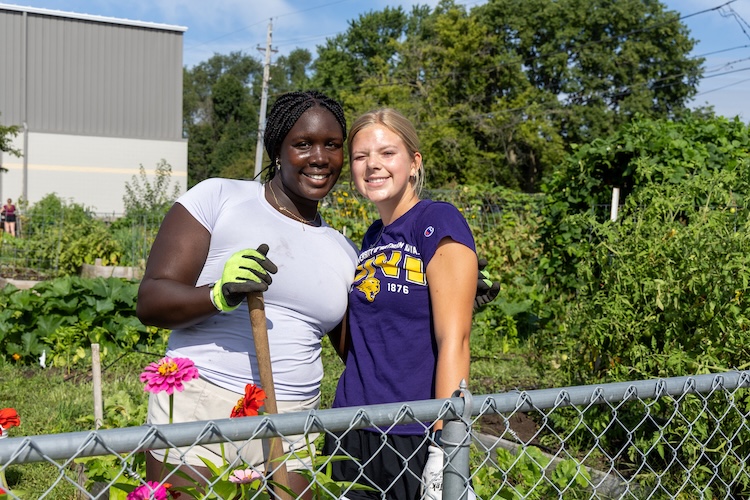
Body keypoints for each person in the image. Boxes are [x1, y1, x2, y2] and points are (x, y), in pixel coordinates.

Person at [136, 90, 358, 495]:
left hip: (295, 421)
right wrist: (218, 294)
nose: (320, 157)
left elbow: (360, 351)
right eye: (303, 144)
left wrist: (443, 301)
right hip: (205, 402)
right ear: (278, 150)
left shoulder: (343, 250)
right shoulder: (220, 199)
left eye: (332, 145)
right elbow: (151, 301)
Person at [323, 108, 478, 500]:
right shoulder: (372, 236)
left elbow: (455, 340)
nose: (372, 164)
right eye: (361, 156)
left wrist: (445, 445)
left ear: (414, 163)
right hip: (350, 427)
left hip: (413, 432)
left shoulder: (437, 221)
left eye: (387, 153)